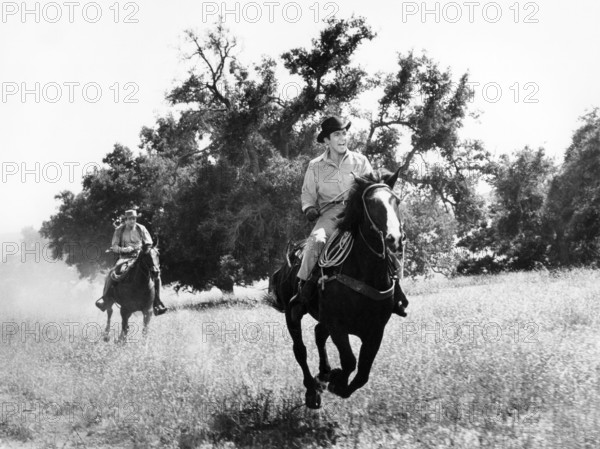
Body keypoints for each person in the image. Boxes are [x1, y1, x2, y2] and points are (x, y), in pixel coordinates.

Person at [289, 116, 408, 320]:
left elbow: (372, 189)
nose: (343, 138)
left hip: (358, 214)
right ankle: (303, 291)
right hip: (330, 215)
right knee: (316, 241)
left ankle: (396, 292)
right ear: (326, 140)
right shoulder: (315, 166)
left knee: (391, 241)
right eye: (337, 134)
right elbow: (308, 194)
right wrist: (309, 208)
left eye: (344, 133)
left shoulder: (360, 161)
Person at [95, 209, 168, 316]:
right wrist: (125, 250)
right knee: (114, 272)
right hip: (125, 257)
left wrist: (141, 248)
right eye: (130, 219)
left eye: (134, 218)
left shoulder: (141, 228)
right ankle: (105, 299)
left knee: (156, 274)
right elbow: (114, 246)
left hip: (140, 255)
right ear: (126, 220)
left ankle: (157, 302)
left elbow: (149, 243)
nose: (132, 221)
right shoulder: (119, 230)